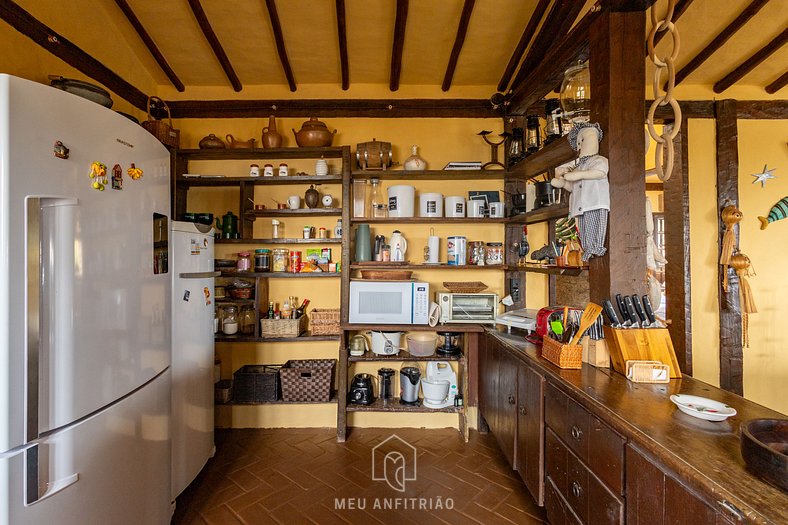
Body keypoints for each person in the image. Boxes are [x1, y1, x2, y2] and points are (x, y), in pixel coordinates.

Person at [551, 122, 608, 261]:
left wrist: (578, 175)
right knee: (583, 228)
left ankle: (595, 247)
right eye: (579, 143)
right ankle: (588, 249)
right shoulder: (578, 167)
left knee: (595, 225)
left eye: (583, 140)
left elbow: (600, 173)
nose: (580, 146)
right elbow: (574, 187)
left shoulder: (598, 160)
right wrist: (563, 183)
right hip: (580, 206)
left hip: (594, 203)